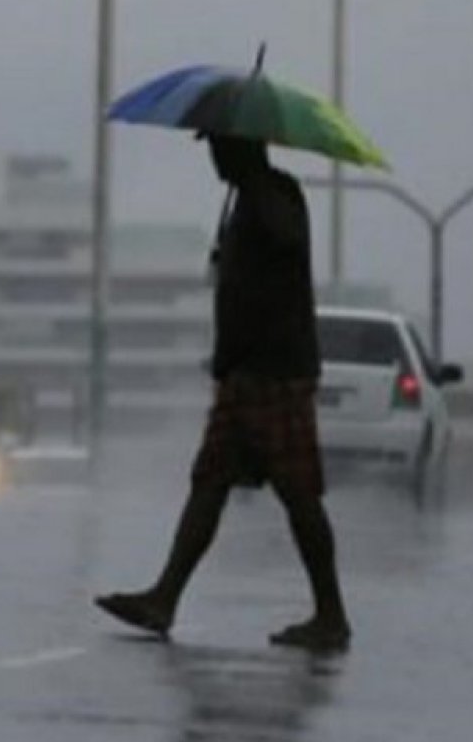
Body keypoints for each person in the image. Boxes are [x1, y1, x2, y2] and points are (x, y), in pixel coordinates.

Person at [95, 134, 352, 653]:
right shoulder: (243, 201)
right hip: (241, 374)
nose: (211, 156)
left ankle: (331, 615)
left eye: (217, 146)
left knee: (299, 495)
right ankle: (163, 598)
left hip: (274, 373)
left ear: (242, 148)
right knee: (208, 483)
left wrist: (255, 190)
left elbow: (284, 239)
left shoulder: (274, 195)